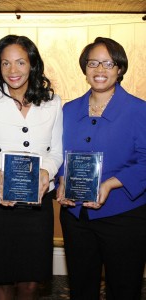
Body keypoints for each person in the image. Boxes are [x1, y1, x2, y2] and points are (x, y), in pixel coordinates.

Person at [56, 37, 146, 300]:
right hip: (76, 217)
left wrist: (109, 184)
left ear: (120, 69)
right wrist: (61, 179)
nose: (100, 70)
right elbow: (60, 155)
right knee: (82, 288)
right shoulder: (69, 110)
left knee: (124, 288)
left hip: (124, 215)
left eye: (108, 63)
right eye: (93, 63)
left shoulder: (139, 110)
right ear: (85, 69)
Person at [0, 35, 63, 299]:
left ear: (33, 64)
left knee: (31, 281)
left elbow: (56, 152)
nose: (13, 71)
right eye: (5, 64)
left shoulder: (52, 102)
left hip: (37, 204)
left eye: (20, 62)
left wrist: (46, 171)